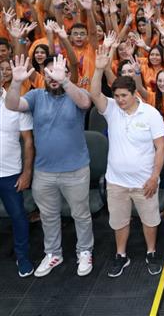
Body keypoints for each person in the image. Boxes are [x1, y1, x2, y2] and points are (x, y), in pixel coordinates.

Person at [5, 54, 94, 278]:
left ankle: (84, 251)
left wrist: (65, 81)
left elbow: (85, 103)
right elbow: (12, 104)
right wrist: (15, 82)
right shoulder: (36, 96)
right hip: (44, 172)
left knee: (81, 214)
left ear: (68, 74)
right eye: (49, 73)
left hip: (76, 170)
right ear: (43, 76)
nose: (53, 77)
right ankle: (53, 253)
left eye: (58, 72)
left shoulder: (76, 94)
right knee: (48, 216)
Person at [90, 46, 164, 278]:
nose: (119, 100)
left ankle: (151, 252)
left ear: (134, 94)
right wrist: (99, 69)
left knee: (150, 220)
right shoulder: (111, 110)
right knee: (119, 221)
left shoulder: (151, 113)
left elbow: (161, 147)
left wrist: (154, 177)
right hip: (116, 182)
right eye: (116, 96)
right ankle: (121, 255)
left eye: (124, 95)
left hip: (145, 181)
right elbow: (94, 94)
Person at [0, 65, 34, 277]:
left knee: (19, 217)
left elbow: (28, 142)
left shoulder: (16, 104)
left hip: (10, 173)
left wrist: (26, 173)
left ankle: (22, 257)